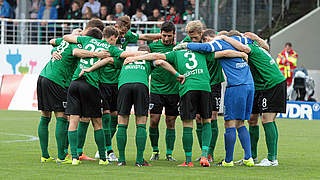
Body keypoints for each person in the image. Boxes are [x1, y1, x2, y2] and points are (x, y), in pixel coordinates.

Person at [123, 30, 248, 168]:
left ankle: (188, 161)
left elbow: (157, 57)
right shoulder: (202, 52)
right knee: (207, 121)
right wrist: (241, 54)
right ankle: (205, 157)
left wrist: (134, 58)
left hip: (188, 88)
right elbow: (223, 53)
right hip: (205, 87)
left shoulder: (175, 53)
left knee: (187, 124)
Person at [79, 45, 184, 167]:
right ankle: (139, 160)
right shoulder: (149, 60)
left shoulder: (125, 59)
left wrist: (90, 69)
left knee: (122, 123)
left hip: (124, 86)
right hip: (141, 86)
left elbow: (107, 60)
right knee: (141, 124)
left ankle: (121, 160)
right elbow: (160, 62)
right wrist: (177, 74)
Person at [63, 25, 148, 165]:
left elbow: (66, 38)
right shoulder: (110, 47)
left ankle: (74, 157)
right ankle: (103, 158)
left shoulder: (87, 40)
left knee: (73, 120)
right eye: (115, 40)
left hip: (75, 82)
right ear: (112, 38)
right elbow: (125, 55)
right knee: (98, 122)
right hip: (91, 84)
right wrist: (144, 55)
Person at [175, 28, 255, 167]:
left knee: (229, 123)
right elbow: (250, 42)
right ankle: (249, 158)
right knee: (241, 122)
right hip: (249, 84)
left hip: (236, 86)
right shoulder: (239, 40)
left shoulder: (218, 43)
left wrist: (184, 45)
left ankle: (228, 161)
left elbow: (206, 47)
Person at [219, 32, 286, 166]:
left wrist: (225, 38)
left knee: (267, 119)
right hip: (258, 86)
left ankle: (272, 159)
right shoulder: (256, 45)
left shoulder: (248, 47)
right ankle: (252, 156)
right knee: (252, 119)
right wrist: (256, 38)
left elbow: (245, 49)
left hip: (272, 83)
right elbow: (265, 47)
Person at [147, 21, 178, 162]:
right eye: (164, 35)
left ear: (174, 35)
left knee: (170, 122)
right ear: (160, 34)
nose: (166, 39)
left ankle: (169, 153)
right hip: (156, 90)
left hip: (173, 90)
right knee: (154, 121)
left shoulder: (178, 48)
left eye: (169, 36)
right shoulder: (152, 47)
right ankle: (155, 151)